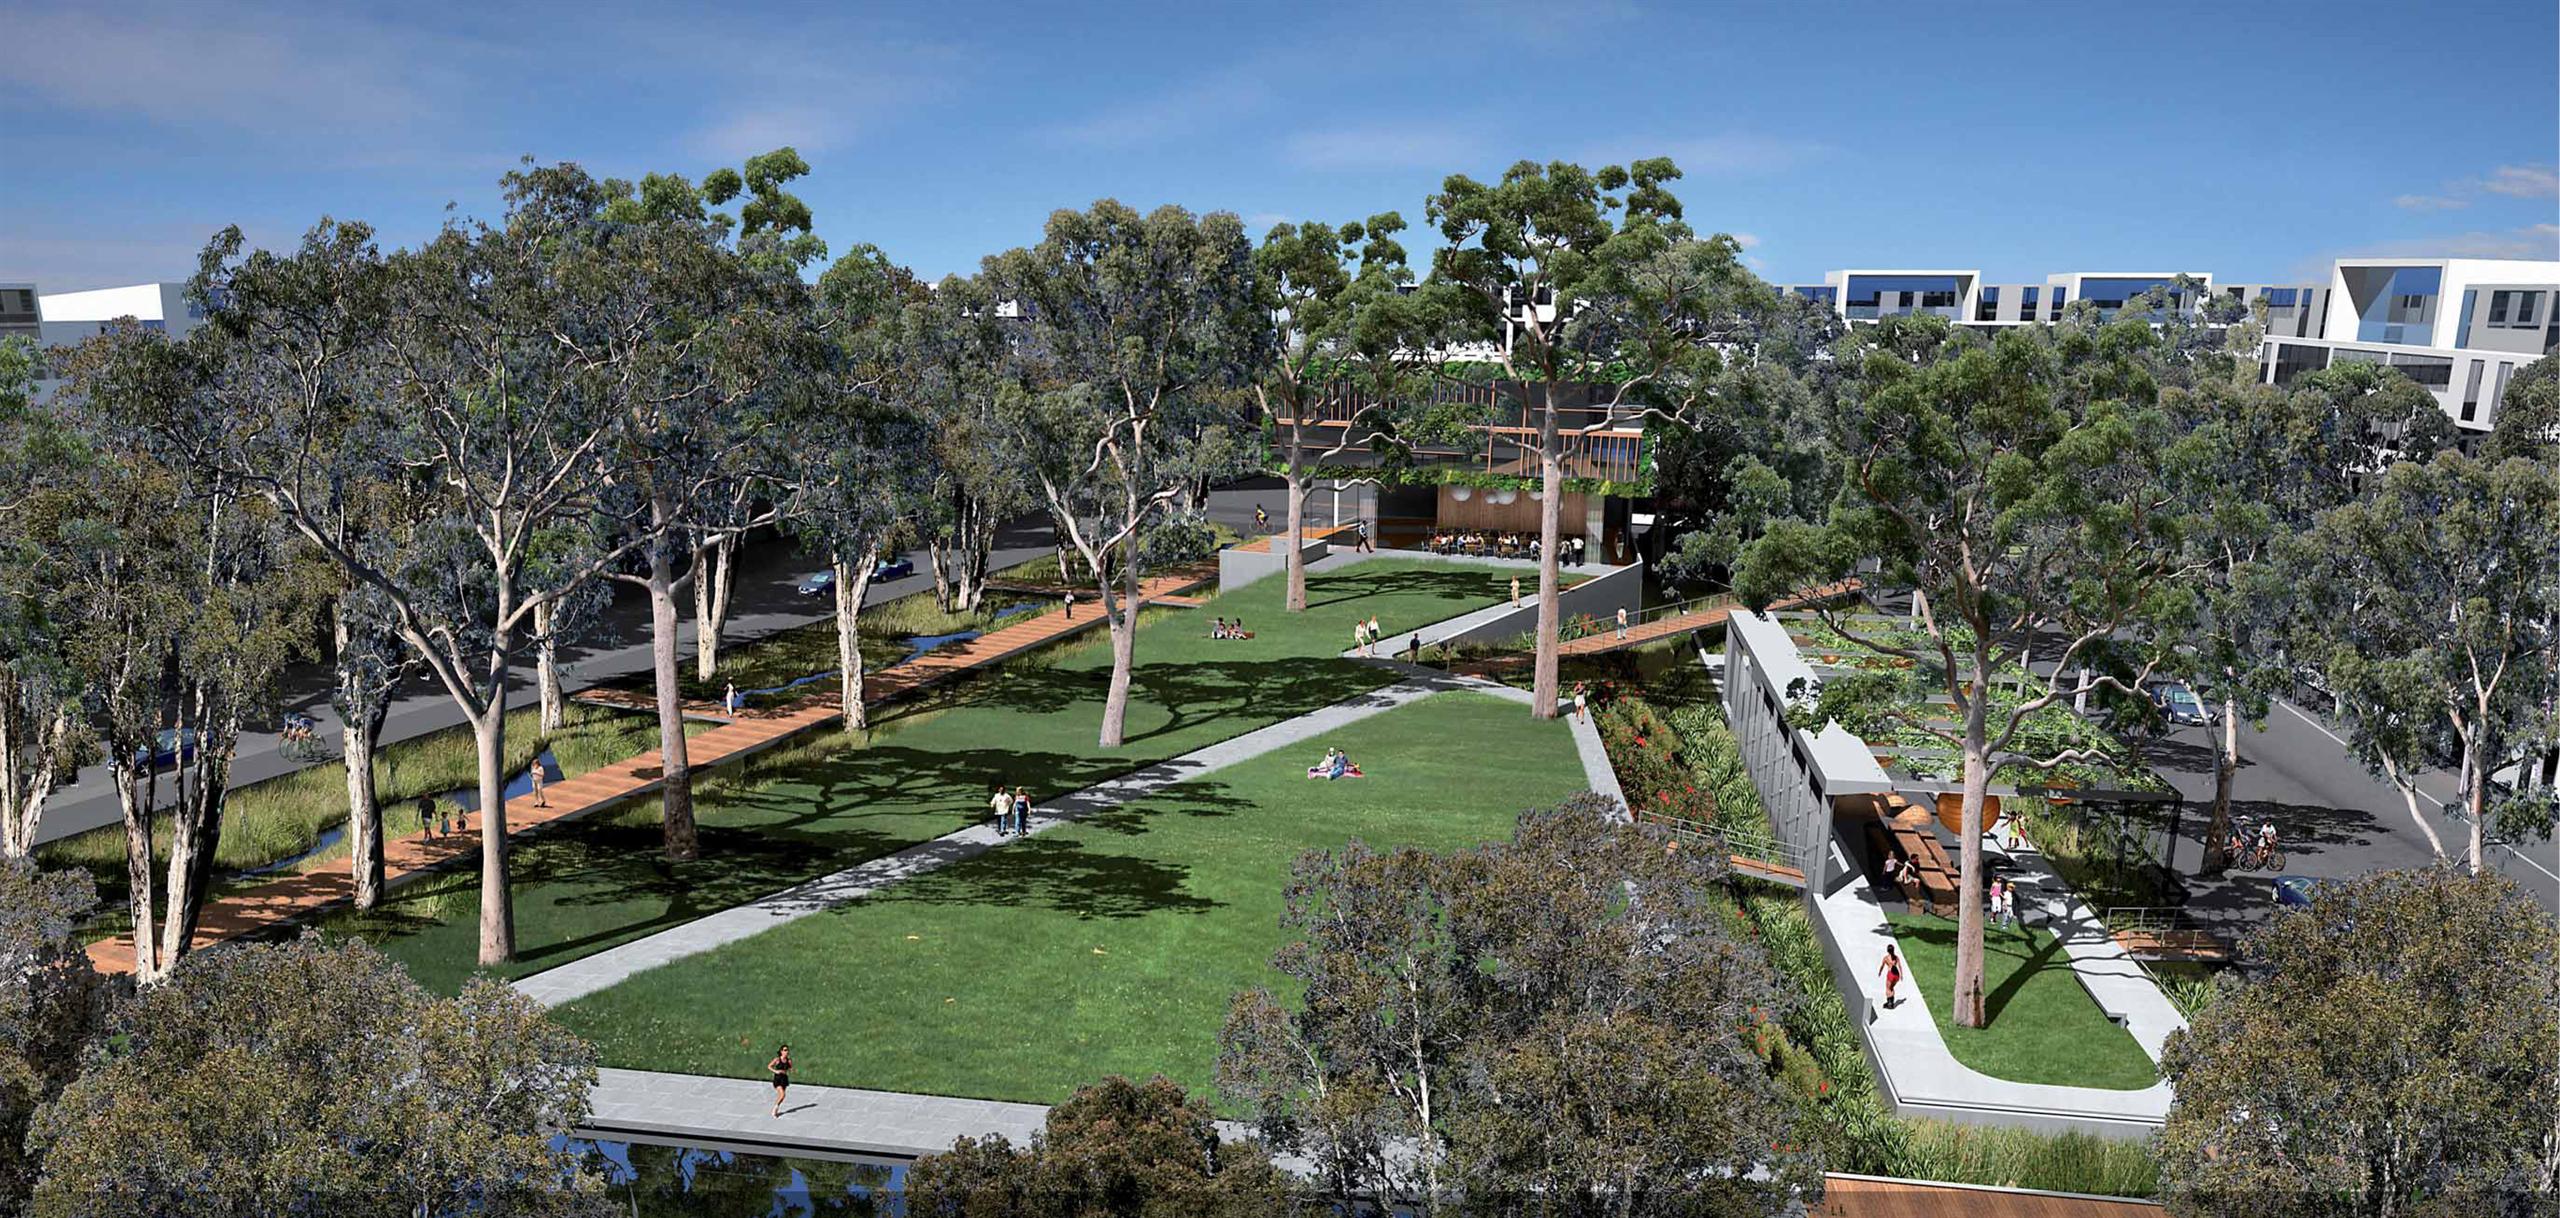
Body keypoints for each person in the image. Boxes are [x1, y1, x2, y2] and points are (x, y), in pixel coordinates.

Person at [768, 1045, 793, 1118]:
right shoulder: (777, 1060)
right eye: (785, 1050)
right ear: (781, 1051)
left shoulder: (789, 1061)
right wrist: (776, 1071)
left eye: (787, 1050)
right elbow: (769, 1066)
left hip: (784, 1079)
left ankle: (776, 1108)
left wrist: (790, 1070)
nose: (786, 1052)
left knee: (781, 1096)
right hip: (778, 1079)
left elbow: (790, 1068)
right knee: (782, 1095)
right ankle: (774, 1110)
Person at [1879, 945, 1903, 1009]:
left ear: (1887, 950)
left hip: (1890, 975)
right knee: (1891, 987)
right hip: (1896, 975)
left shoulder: (1886, 958)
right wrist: (1901, 975)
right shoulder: (1896, 957)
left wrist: (1880, 972)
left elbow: (1882, 966)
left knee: (1888, 988)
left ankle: (1889, 1003)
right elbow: (1900, 966)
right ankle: (1891, 1002)